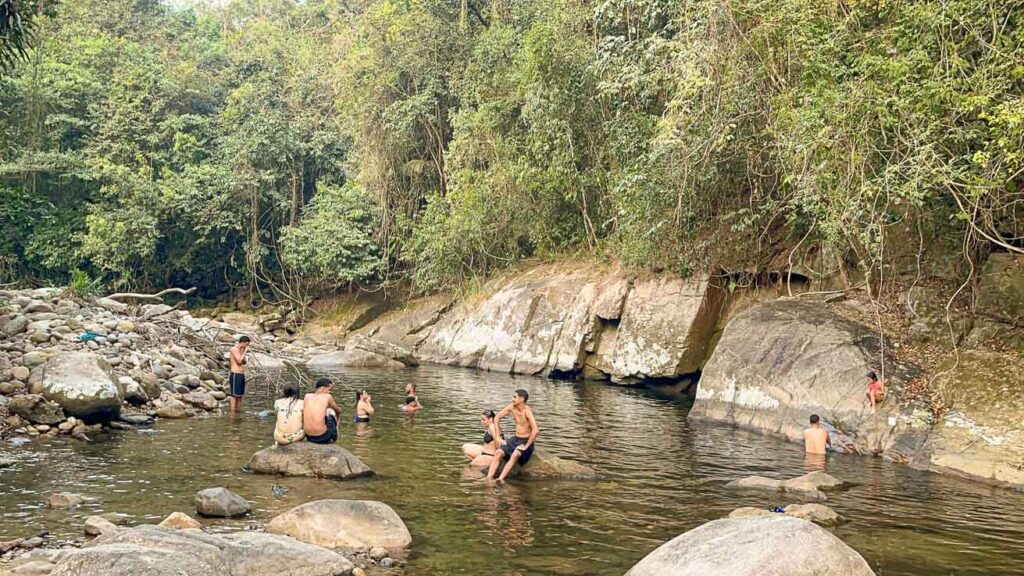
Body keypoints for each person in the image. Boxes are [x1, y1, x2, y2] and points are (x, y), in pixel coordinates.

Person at [486, 389, 539, 482]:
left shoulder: (527, 411)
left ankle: (500, 479)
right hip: (516, 439)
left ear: (522, 399)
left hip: (526, 440)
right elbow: (497, 417)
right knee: (498, 452)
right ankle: (488, 478)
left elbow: (536, 430)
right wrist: (498, 437)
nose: (512, 399)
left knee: (515, 454)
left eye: (515, 397)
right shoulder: (512, 407)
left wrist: (526, 446)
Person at [303, 378, 341, 444]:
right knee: (332, 411)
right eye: (329, 389)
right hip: (322, 437)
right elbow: (338, 411)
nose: (330, 392)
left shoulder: (307, 396)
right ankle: (334, 437)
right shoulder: (328, 397)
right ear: (323, 388)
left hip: (308, 436)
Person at [228, 336, 250, 413]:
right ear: (242, 342)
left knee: (240, 395)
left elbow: (244, 362)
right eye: (246, 344)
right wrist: (244, 352)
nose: (246, 346)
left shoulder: (241, 350)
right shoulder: (234, 349)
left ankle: (238, 412)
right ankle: (233, 413)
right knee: (234, 396)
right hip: (235, 374)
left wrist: (244, 353)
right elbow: (239, 361)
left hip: (241, 375)